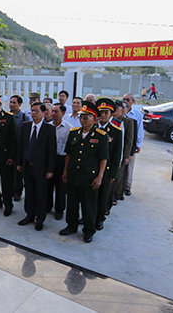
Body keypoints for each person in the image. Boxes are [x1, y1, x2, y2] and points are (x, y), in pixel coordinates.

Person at [59, 101, 108, 243]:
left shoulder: (101, 135)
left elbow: (103, 158)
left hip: (89, 177)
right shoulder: (74, 133)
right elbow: (68, 153)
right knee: (72, 202)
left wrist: (100, 176)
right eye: (81, 117)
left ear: (94, 119)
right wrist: (65, 170)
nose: (82, 120)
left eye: (86, 117)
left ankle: (88, 230)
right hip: (74, 174)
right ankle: (71, 226)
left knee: (89, 205)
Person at [17, 102, 56, 231]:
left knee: (41, 194)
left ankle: (40, 219)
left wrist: (50, 169)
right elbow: (21, 147)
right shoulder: (26, 126)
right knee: (29, 192)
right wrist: (19, 163)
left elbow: (52, 151)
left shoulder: (49, 129)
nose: (33, 113)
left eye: (36, 111)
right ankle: (29, 215)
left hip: (42, 169)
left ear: (44, 113)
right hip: (27, 166)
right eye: (32, 111)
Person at [95, 98, 122, 231]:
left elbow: (117, 154)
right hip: (92, 169)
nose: (103, 115)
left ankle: (99, 219)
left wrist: (114, 173)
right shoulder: (92, 128)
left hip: (106, 170)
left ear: (111, 114)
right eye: (101, 112)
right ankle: (89, 216)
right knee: (90, 196)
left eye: (106, 112)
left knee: (103, 196)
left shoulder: (116, 131)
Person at [107, 100, 134, 213]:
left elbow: (128, 140)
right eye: (115, 107)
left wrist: (127, 155)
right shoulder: (107, 120)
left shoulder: (126, 122)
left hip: (121, 152)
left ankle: (116, 195)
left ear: (122, 109)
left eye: (119, 107)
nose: (116, 109)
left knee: (117, 177)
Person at [48, 103, 72, 220]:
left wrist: (67, 168)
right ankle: (47, 206)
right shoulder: (47, 126)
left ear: (63, 113)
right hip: (49, 159)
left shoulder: (69, 128)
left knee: (61, 186)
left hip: (62, 159)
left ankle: (59, 210)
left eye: (56, 111)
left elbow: (70, 150)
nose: (53, 114)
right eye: (52, 111)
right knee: (47, 184)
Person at [122, 93, 143, 196]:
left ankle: (127, 186)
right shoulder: (120, 112)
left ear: (133, 101)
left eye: (128, 99)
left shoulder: (137, 115)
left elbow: (139, 130)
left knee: (129, 166)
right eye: (124, 99)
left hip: (131, 144)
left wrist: (139, 144)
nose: (126, 101)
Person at [10, 95, 27, 201]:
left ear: (20, 105)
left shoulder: (24, 117)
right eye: (11, 102)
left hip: (19, 149)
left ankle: (17, 192)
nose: (12, 104)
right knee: (7, 172)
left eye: (14, 102)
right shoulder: (6, 116)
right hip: (8, 148)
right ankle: (9, 190)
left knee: (18, 172)